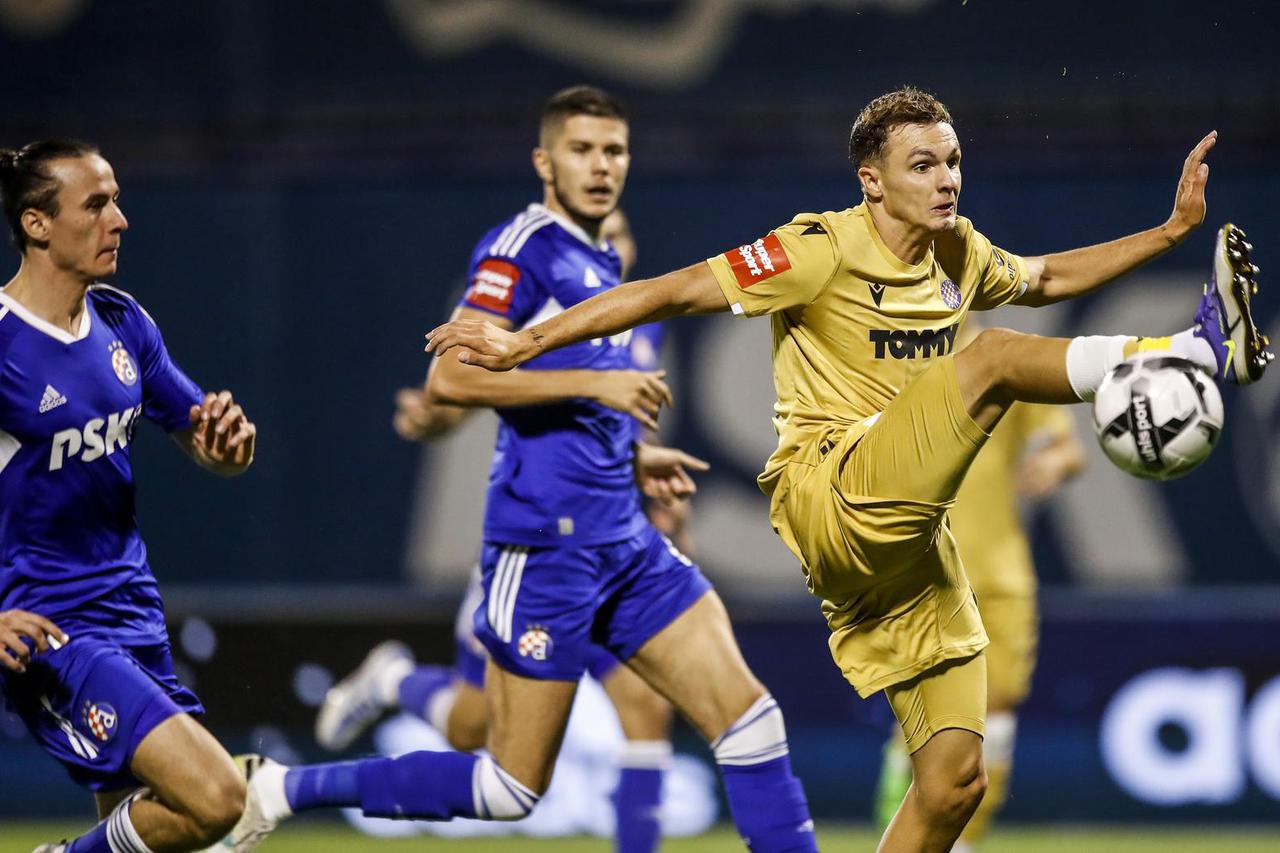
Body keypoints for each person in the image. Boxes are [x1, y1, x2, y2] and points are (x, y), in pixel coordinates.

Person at [423, 86, 1271, 852]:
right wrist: (526, 340)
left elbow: (1045, 276)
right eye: (922, 165)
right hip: (829, 491)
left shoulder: (957, 252)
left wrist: (1169, 233)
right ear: (872, 180)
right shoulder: (818, 248)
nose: (947, 180)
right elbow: (670, 290)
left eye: (953, 161)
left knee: (953, 783)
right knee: (993, 359)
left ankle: (1194, 349)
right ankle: (1196, 350)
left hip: (909, 543)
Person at [226, 87, 818, 853]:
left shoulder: (601, 257)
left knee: (750, 720)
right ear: (545, 162)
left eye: (614, 151)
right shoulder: (522, 248)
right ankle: (277, 788)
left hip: (624, 541)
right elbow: (450, 377)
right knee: (506, 784)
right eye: (582, 150)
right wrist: (595, 388)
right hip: (544, 549)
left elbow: (569, 402)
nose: (600, 166)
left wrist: (632, 454)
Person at [316, 208, 686, 852]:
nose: (610, 250)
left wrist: (656, 495)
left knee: (648, 706)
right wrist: (433, 417)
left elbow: (618, 433)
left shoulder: (639, 325)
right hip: (534, 548)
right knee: (472, 726)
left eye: (619, 238)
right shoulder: (540, 319)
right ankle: (394, 680)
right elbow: (463, 392)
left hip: (613, 548)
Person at [0, 140, 257, 853]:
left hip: (135, 614)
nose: (119, 220)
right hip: (53, 628)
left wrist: (229, 448)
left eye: (115, 200)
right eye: (95, 205)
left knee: (150, 834)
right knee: (220, 797)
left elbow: (202, 435)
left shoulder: (123, 321)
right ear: (37, 224)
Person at [871, 319, 1086, 850]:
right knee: (927, 728)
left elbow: (1067, 447)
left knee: (999, 716)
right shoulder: (893, 355)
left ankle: (961, 845)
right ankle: (903, 834)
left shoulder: (1006, 355)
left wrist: (1053, 462)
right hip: (922, 571)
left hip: (1001, 573)